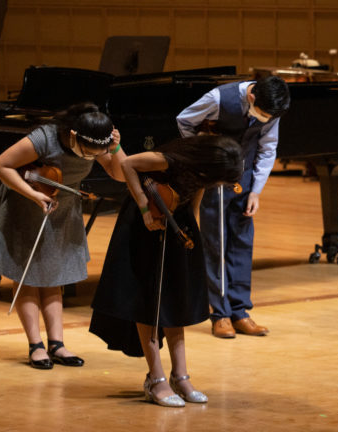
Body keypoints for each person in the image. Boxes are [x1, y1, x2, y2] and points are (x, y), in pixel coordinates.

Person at [89, 135, 244, 407]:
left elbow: (196, 192)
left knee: (176, 302)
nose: (220, 184)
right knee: (148, 301)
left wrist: (190, 226)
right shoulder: (169, 160)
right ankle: (156, 378)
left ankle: (180, 376)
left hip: (176, 221)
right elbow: (128, 165)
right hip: (146, 223)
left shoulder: (203, 172)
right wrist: (144, 206)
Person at [0, 102, 126, 369]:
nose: (91, 157)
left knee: (54, 276)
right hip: (27, 204)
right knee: (27, 276)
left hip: (63, 209)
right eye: (88, 153)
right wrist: (34, 194)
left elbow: (118, 174)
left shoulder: (94, 140)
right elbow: (1, 166)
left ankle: (57, 344)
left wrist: (116, 147)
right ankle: (35, 345)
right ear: (73, 136)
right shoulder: (44, 138)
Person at [176, 75, 290, 338]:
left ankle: (239, 311)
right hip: (216, 179)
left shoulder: (272, 107)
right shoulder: (218, 98)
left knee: (241, 242)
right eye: (262, 114)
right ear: (252, 97)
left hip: (244, 179)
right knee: (216, 243)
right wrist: (201, 156)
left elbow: (268, 147)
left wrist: (256, 191)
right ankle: (219, 313)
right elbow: (184, 120)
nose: (266, 119)